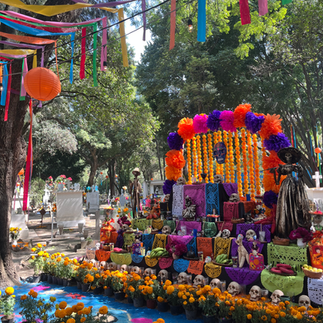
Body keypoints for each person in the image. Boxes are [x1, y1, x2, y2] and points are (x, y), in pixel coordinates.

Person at [271, 147, 310, 238]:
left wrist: (300, 170)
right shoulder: (281, 168)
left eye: (289, 155)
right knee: (285, 204)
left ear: (292, 157)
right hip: (285, 187)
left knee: (294, 204)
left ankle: (295, 227)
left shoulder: (294, 167)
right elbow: (277, 182)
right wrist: (274, 173)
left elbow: (301, 176)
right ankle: (285, 229)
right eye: (286, 155)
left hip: (293, 186)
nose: (288, 157)